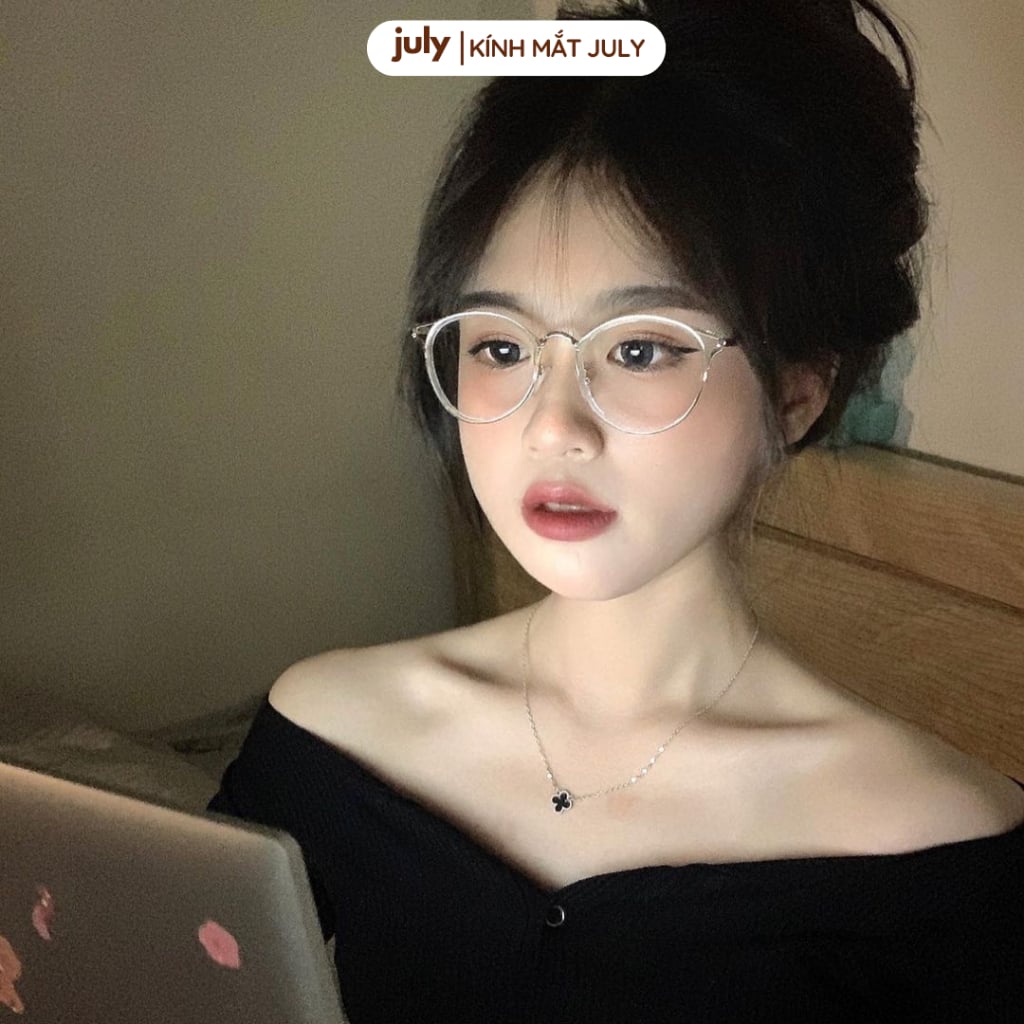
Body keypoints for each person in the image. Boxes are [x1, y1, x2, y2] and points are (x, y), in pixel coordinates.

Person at [209, 1, 1024, 1020]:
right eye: (500, 345)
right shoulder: (326, 740)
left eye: (638, 349)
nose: (552, 426)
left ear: (795, 392)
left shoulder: (942, 857)